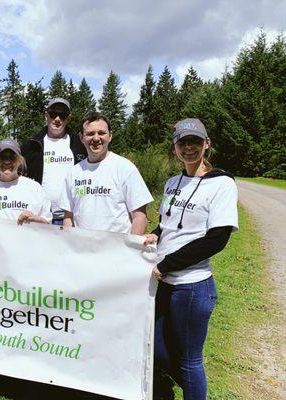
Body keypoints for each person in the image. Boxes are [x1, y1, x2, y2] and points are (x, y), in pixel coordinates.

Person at [143, 118, 238, 400]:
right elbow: (168, 225)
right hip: (164, 283)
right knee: (158, 348)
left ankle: (193, 390)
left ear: (206, 144)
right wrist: (154, 235)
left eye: (195, 141)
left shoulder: (222, 183)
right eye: (183, 142)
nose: (189, 148)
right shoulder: (173, 182)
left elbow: (216, 239)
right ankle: (188, 386)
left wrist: (166, 264)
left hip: (192, 286)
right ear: (174, 148)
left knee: (190, 361)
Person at [59, 111, 153, 234]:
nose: (96, 138)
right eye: (90, 134)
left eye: (101, 133)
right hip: (81, 249)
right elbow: (68, 216)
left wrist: (130, 249)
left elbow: (139, 216)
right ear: (81, 137)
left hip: (117, 250)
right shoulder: (73, 173)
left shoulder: (125, 168)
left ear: (110, 136)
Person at [20, 97, 87, 225]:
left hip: (73, 218)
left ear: (68, 118)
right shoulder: (32, 145)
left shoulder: (81, 144)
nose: (57, 119)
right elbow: (17, 177)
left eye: (62, 115)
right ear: (46, 115)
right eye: (53, 114)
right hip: (41, 218)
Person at [0, 138, 52, 225]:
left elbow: (48, 222)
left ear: (20, 160)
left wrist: (35, 218)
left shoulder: (35, 188)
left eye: (12, 157)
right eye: (3, 157)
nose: (7, 161)